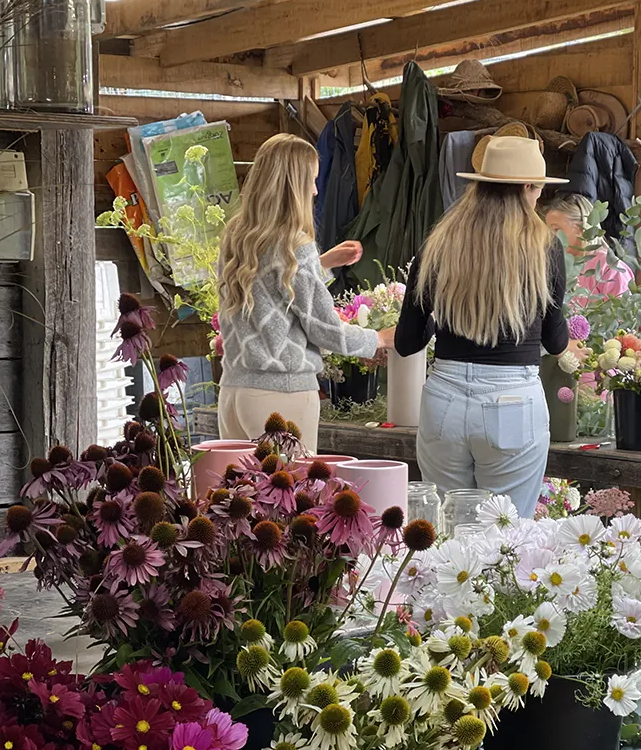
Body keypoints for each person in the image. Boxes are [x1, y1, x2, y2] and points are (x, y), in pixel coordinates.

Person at [395, 136, 570, 518]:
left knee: (445, 531)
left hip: (445, 400)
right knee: (505, 536)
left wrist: (444, 316)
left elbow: (407, 341)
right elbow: (556, 342)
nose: (538, 197)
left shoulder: (439, 243)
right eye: (539, 188)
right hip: (513, 400)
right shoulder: (545, 248)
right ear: (527, 187)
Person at [217, 133, 395, 452]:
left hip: (233, 392)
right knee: (292, 498)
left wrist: (323, 263)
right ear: (291, 186)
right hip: (282, 395)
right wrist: (379, 339)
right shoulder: (295, 244)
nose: (315, 190)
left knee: (240, 498)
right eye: (311, 180)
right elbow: (324, 329)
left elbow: (268, 291)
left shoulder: (237, 236)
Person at [543, 194, 634, 304]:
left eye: (556, 229)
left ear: (581, 229)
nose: (548, 237)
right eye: (547, 231)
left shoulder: (609, 268)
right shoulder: (553, 265)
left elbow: (623, 315)